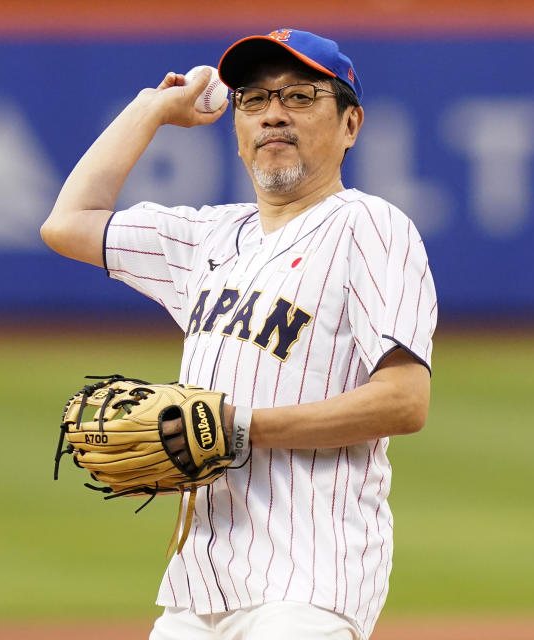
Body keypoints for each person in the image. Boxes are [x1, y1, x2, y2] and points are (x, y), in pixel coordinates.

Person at [41, 28, 436, 640]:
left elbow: (405, 400)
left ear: (351, 124)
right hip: (197, 585)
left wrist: (238, 427)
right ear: (236, 125)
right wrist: (150, 108)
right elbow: (68, 223)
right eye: (253, 99)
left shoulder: (370, 226)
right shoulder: (209, 238)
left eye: (300, 97)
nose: (273, 113)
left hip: (310, 579)